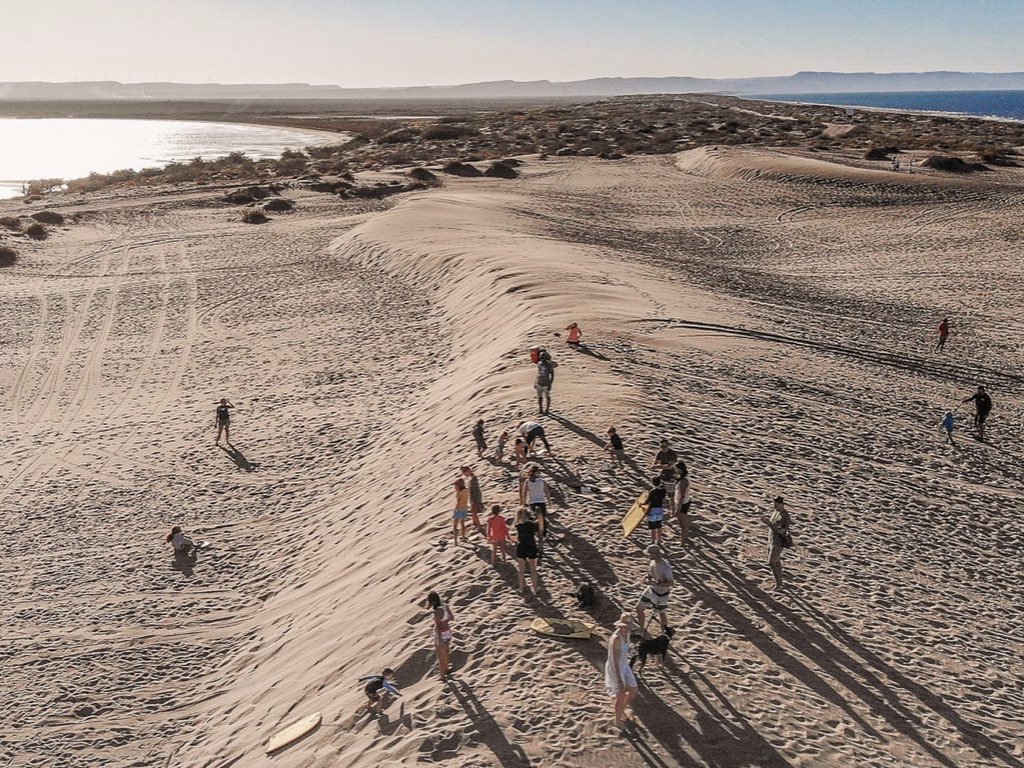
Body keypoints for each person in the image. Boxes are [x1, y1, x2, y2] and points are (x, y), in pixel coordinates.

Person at [605, 614, 638, 728]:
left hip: (624, 664)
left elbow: (627, 647)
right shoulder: (616, 639)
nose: (625, 629)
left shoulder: (627, 634)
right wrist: (619, 679)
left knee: (633, 690)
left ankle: (622, 709)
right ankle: (618, 721)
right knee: (620, 694)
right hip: (615, 668)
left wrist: (631, 650)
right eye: (624, 627)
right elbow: (614, 660)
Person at [635, 545, 673, 635]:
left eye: (649, 554)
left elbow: (671, 583)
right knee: (639, 607)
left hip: (661, 593)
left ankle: (664, 634)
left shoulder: (666, 568)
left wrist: (657, 584)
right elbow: (650, 573)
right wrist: (646, 578)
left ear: (655, 555)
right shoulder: (652, 562)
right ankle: (641, 630)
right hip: (651, 589)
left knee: (661, 613)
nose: (648, 556)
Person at [761, 496, 792, 592]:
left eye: (777, 504)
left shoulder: (785, 516)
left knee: (771, 562)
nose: (775, 506)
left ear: (782, 504)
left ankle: (778, 585)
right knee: (777, 562)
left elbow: (782, 531)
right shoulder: (775, 512)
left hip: (777, 543)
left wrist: (769, 523)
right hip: (771, 540)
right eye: (774, 504)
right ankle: (780, 583)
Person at [520, 463, 550, 550]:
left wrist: (523, 503)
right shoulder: (542, 481)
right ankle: (544, 534)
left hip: (532, 502)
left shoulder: (528, 481)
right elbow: (547, 492)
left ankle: (536, 532)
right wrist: (549, 501)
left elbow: (524, 493)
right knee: (543, 518)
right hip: (541, 501)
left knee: (534, 518)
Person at [513, 507, 541, 594]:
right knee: (533, 569)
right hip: (531, 546)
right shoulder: (533, 524)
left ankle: (521, 588)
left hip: (521, 546)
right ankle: (535, 588)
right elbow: (538, 534)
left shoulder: (518, 526)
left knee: (521, 570)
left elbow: (518, 537)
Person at [427, 592, 454, 680]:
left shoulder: (437, 612)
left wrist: (438, 639)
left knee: (440, 656)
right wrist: (445, 620)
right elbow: (452, 618)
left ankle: (442, 677)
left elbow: (438, 627)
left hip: (441, 634)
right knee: (446, 652)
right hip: (448, 632)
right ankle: (447, 669)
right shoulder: (445, 606)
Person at [461, 466, 487, 537]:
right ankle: (474, 522)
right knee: (473, 511)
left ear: (468, 471)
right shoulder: (472, 478)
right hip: (474, 496)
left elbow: (474, 490)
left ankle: (478, 525)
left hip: (475, 497)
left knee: (474, 511)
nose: (464, 475)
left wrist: (473, 500)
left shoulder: (473, 479)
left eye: (464, 472)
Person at [674, 461, 692, 546]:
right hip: (685, 501)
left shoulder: (683, 482)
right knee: (682, 522)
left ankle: (683, 542)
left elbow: (682, 496)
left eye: (676, 469)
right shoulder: (684, 477)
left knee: (682, 524)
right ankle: (684, 538)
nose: (675, 470)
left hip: (683, 503)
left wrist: (678, 509)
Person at [646, 477, 667, 547]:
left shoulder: (652, 492)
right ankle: (659, 540)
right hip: (660, 509)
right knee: (659, 525)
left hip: (652, 509)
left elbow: (648, 501)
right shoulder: (663, 491)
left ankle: (652, 541)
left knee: (652, 527)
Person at [535, 351, 556, 415]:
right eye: (541, 357)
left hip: (546, 383)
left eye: (543, 357)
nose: (542, 358)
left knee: (547, 397)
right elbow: (538, 373)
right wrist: (535, 382)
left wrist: (550, 383)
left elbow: (552, 374)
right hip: (539, 382)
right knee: (539, 397)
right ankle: (540, 409)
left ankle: (547, 409)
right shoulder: (539, 363)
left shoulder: (549, 364)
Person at [451, 478, 470, 544]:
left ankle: (455, 541)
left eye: (455, 486)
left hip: (459, 509)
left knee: (455, 525)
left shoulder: (459, 493)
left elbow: (458, 503)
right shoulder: (466, 491)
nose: (455, 488)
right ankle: (464, 537)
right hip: (465, 508)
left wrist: (455, 510)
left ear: (458, 486)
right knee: (462, 523)